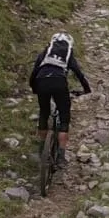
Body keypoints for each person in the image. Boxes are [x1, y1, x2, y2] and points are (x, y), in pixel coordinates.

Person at [30, 32, 91, 169]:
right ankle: (61, 157)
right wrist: (87, 89)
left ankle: (41, 150)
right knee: (64, 117)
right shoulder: (68, 53)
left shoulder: (46, 52)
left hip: (41, 82)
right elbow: (78, 73)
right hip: (59, 82)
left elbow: (34, 72)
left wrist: (34, 88)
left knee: (44, 113)